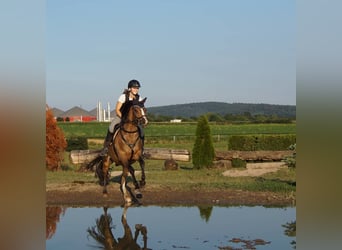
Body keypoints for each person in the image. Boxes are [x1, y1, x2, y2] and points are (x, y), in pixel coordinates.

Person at [100, 79, 144, 156]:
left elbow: (140, 110)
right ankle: (106, 148)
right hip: (121, 116)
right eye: (134, 88)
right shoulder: (123, 96)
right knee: (111, 127)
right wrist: (123, 118)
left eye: (137, 88)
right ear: (130, 88)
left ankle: (141, 150)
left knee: (141, 131)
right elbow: (117, 109)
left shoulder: (139, 98)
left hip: (133, 120)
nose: (136, 90)